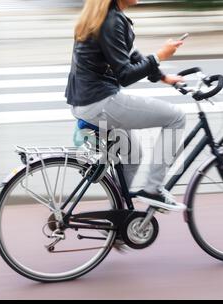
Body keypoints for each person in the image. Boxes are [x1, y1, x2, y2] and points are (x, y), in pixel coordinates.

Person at [65, 0, 186, 211]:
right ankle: (153, 189)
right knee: (176, 117)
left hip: (86, 101)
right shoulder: (112, 21)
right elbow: (126, 74)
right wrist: (159, 56)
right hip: (100, 102)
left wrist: (163, 77)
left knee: (133, 155)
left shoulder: (103, 16)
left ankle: (119, 221)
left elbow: (131, 55)